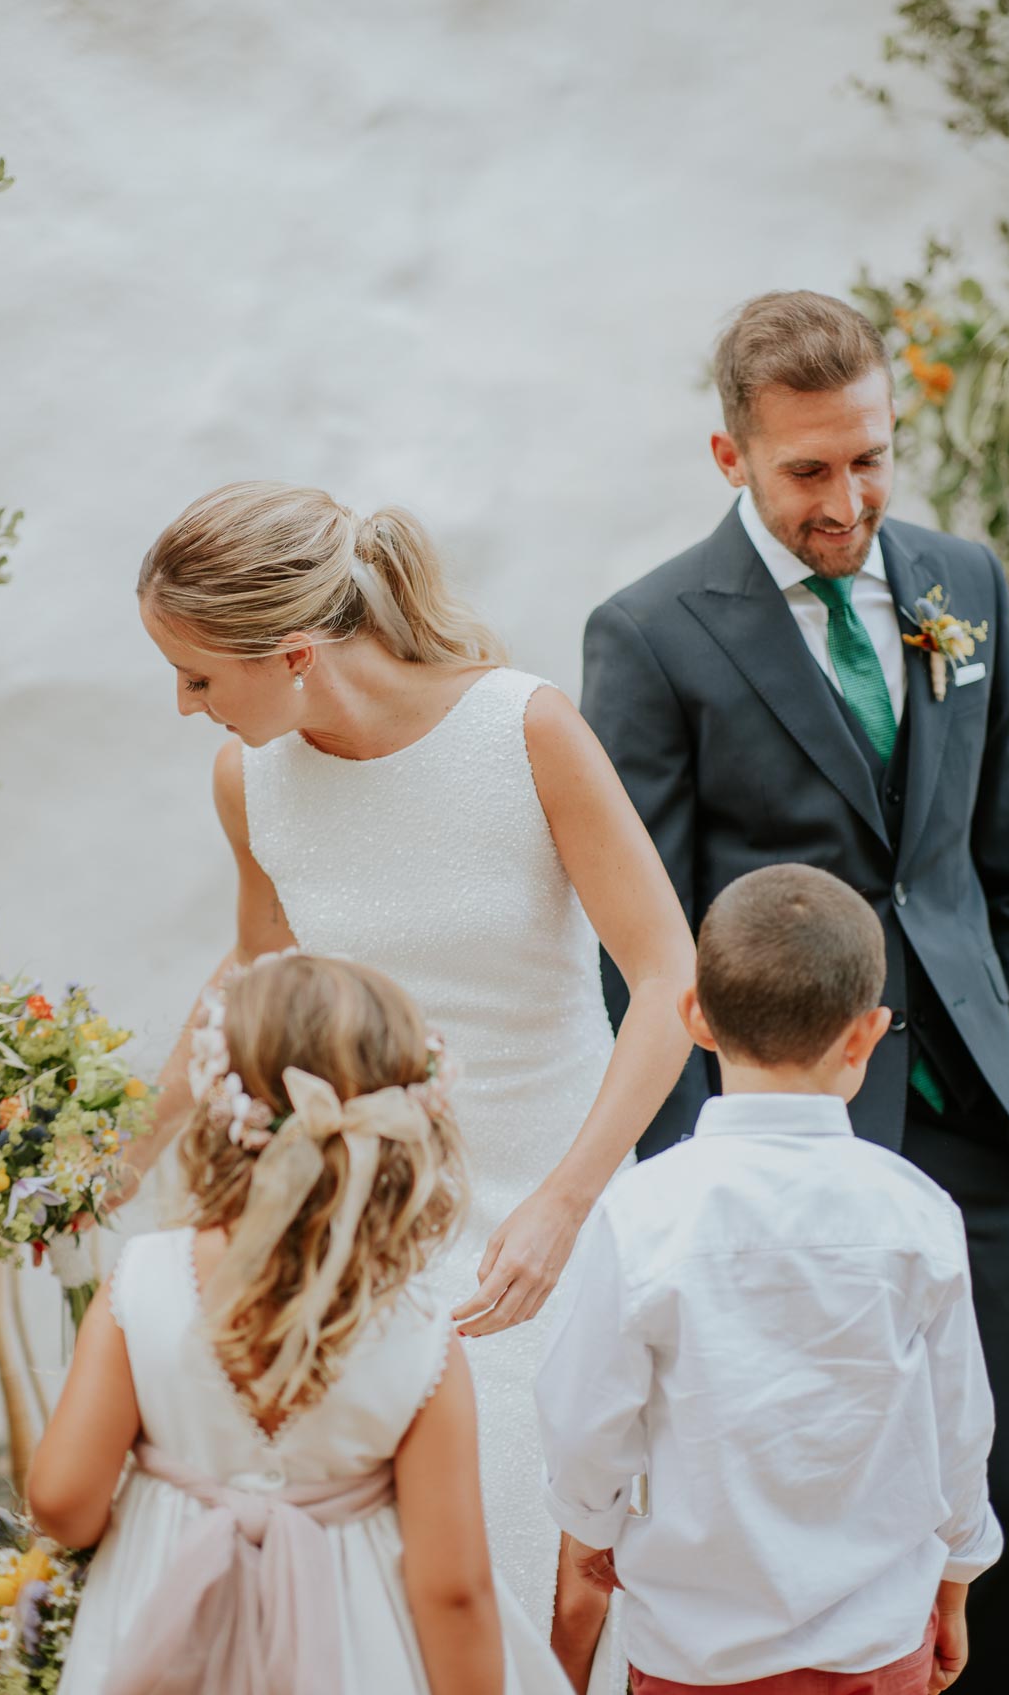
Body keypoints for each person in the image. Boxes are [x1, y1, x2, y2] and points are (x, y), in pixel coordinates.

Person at [125, 483, 696, 1693]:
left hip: (545, 1225)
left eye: (197, 677)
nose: (184, 706)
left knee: (537, 1574)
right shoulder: (252, 778)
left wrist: (565, 1203)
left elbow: (666, 979)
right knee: (390, 1597)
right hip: (367, 1239)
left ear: (289, 655)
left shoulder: (525, 730)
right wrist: (117, 1157)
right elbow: (253, 972)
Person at [581, 291, 1009, 1695]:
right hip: (792, 1135)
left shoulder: (958, 586)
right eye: (807, 468)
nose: (846, 497)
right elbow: (649, 940)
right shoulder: (653, 631)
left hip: (981, 1107)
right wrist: (691, 1165)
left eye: (871, 457)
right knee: (823, 1522)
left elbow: (1002, 869)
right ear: (729, 457)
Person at [30, 951, 574, 1695]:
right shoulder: (419, 1334)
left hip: (158, 1635)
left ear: (222, 1109)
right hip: (353, 1651)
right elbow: (452, 1591)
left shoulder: (143, 1282)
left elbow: (63, 1500)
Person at [537, 863, 1003, 1695]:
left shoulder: (643, 1211)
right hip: (875, 1645)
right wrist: (957, 1575)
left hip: (694, 1654)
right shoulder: (917, 1215)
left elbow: (584, 1415)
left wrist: (590, 1527)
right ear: (865, 1035)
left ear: (695, 1018)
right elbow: (958, 1428)